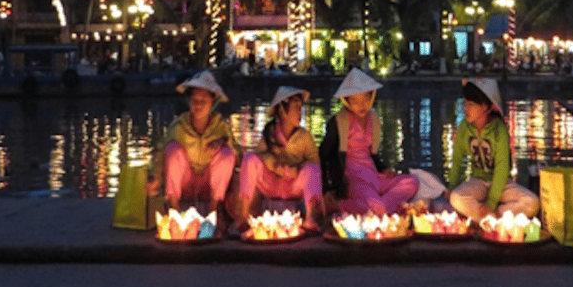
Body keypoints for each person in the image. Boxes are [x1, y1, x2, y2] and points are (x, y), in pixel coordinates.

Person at [319, 68, 418, 216]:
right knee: (378, 207)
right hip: (354, 180)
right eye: (355, 101)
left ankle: (378, 206)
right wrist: (328, 188)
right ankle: (342, 206)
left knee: (412, 181)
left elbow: (373, 155)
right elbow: (324, 154)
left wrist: (384, 169)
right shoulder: (340, 121)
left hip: (373, 176)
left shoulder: (373, 119)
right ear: (346, 100)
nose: (361, 105)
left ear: (371, 97)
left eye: (365, 99)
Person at [147, 70, 239, 223]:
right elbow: (160, 154)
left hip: (210, 187)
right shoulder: (178, 126)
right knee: (172, 149)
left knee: (226, 154)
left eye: (203, 100)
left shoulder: (221, 127)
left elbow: (238, 156)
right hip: (184, 186)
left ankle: (213, 211)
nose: (198, 105)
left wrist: (223, 142)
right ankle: (174, 210)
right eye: (195, 100)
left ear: (212, 103)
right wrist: (154, 178)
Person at [447, 78, 539, 222]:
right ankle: (493, 218)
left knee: (532, 203)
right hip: (477, 181)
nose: (465, 108)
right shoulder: (464, 128)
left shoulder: (499, 130)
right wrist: (451, 186)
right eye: (465, 103)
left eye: (470, 104)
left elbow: (502, 169)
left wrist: (491, 203)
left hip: (502, 184)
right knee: (456, 198)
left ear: (484, 106)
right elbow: (457, 161)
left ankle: (487, 217)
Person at [234, 86, 322, 232]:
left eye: (300, 108)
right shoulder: (269, 134)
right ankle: (243, 216)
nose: (300, 112)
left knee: (312, 169)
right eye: (295, 108)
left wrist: (297, 169)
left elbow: (314, 166)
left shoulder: (305, 137)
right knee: (249, 158)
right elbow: (258, 157)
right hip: (271, 185)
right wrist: (274, 166)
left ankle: (310, 219)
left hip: (294, 187)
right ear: (282, 111)